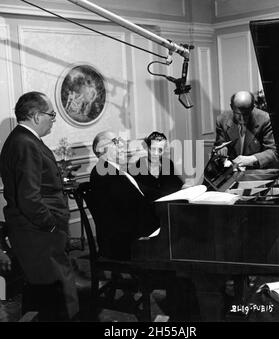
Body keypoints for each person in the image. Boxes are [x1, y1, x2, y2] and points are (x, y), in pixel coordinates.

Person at [0, 91, 79, 321]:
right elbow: (29, 197)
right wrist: (52, 225)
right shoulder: (25, 143)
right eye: (51, 115)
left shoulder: (21, 140)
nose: (53, 120)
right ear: (35, 116)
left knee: (43, 295)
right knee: (52, 297)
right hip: (38, 233)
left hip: (34, 233)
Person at [90, 130, 160, 260]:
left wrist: (175, 193)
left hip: (134, 228)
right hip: (126, 240)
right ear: (100, 149)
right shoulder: (103, 172)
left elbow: (143, 190)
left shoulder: (115, 169)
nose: (122, 145)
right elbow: (129, 206)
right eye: (115, 142)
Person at [215, 90, 279, 169]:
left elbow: (273, 152)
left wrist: (251, 159)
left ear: (252, 107)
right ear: (231, 107)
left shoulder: (265, 120)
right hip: (232, 173)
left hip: (258, 173)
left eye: (245, 114)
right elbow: (219, 145)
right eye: (238, 114)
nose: (241, 119)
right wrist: (221, 151)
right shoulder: (222, 120)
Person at [129, 131, 183, 202]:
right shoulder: (137, 167)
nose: (156, 153)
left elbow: (177, 185)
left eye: (160, 150)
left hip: (167, 206)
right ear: (147, 148)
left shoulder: (168, 163)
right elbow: (139, 193)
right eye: (153, 149)